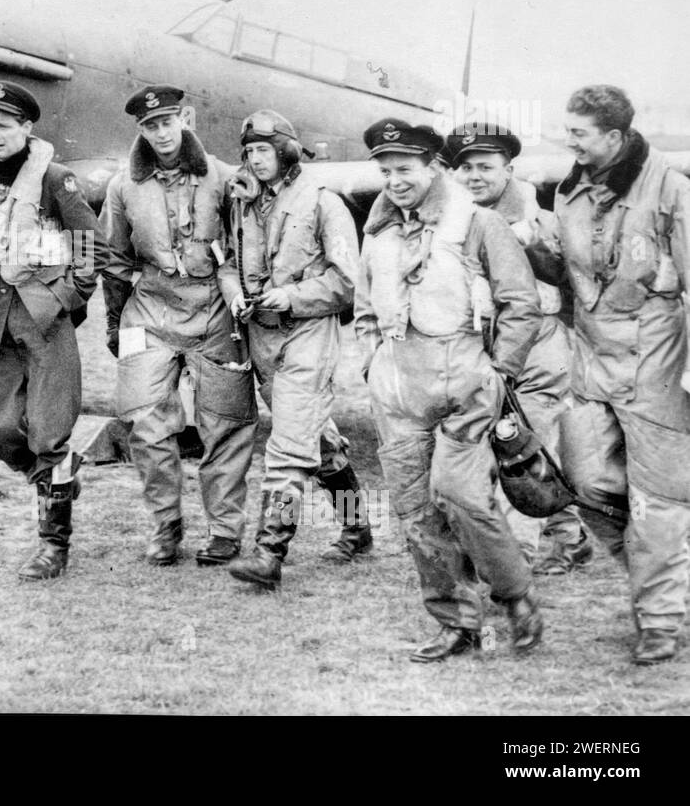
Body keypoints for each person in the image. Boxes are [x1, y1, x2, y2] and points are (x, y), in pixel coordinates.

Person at [355, 118, 544, 662]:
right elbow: (365, 303)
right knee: (416, 510)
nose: (394, 181)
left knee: (460, 494)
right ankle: (455, 621)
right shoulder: (379, 233)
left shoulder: (479, 223)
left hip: (465, 376)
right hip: (399, 386)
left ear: (432, 166)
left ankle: (517, 596)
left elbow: (520, 303)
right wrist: (374, 362)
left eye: (405, 170)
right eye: (386, 171)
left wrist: (500, 371)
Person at [530, 86, 690, 665]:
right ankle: (669, 567)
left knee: (658, 503)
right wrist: (532, 249)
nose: (566, 140)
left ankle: (660, 620)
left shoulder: (670, 189)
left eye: (579, 132)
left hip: (658, 371)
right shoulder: (569, 191)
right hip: (592, 366)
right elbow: (577, 280)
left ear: (615, 137)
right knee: (586, 481)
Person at [101, 85, 256, 567]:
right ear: (140, 131)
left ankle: (226, 530)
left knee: (225, 423)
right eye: (151, 125)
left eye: (168, 122)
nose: (162, 133)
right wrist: (114, 322)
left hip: (214, 311)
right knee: (143, 420)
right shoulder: (122, 187)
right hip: (150, 309)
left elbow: (249, 242)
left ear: (184, 119)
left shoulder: (227, 177)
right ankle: (165, 525)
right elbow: (113, 258)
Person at [0, 80, 106, 580]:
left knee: (49, 432)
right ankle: (53, 480)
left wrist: (69, 297)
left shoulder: (55, 179)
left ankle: (52, 545)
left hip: (44, 319)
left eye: (4, 125)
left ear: (26, 128)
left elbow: (89, 245)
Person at [219, 110, 372, 591]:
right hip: (261, 337)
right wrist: (235, 293)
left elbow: (349, 281)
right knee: (316, 438)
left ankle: (269, 552)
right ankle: (358, 526)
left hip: (309, 334)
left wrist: (293, 296)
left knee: (287, 445)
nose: (255, 160)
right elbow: (226, 263)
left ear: (285, 151)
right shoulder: (242, 204)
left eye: (263, 150)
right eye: (248, 152)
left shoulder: (324, 203)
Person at [439, 123, 592, 575]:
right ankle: (570, 537)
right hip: (479, 345)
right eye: (464, 168)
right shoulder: (452, 220)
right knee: (525, 446)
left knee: (518, 448)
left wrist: (531, 241)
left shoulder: (539, 217)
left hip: (537, 345)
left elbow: (572, 278)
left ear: (509, 169)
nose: (474, 176)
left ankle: (514, 565)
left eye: (485, 167)